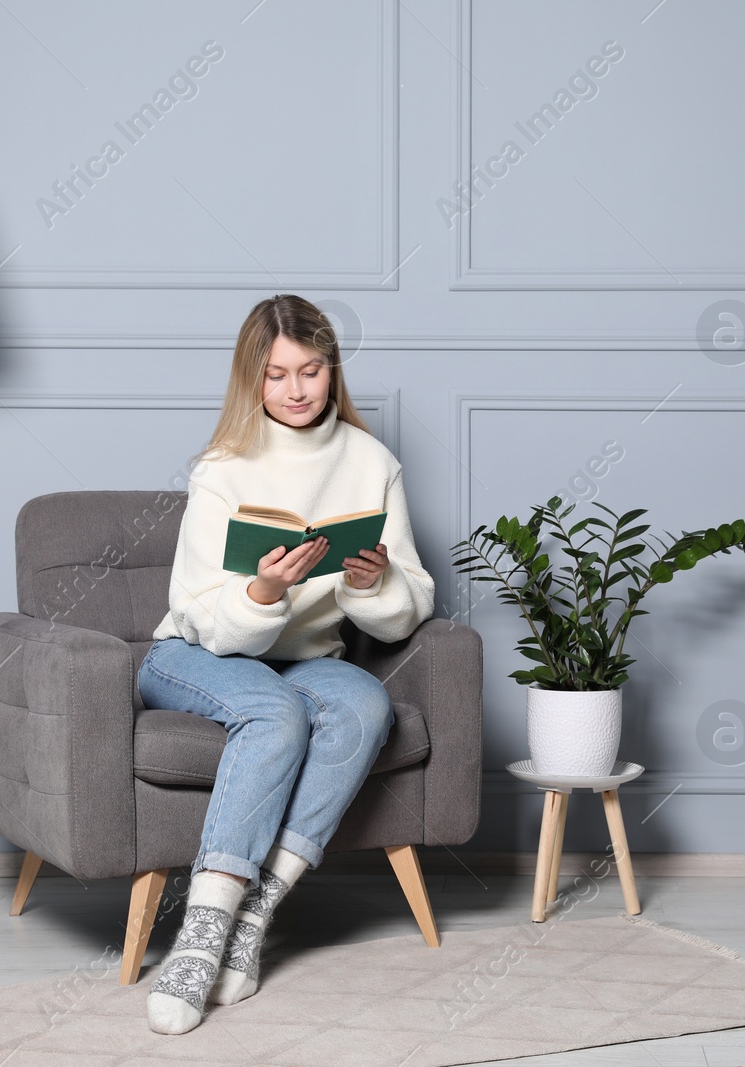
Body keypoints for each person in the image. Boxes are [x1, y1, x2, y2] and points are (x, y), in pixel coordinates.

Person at [138, 294, 435, 1034]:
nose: (296, 391)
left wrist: (375, 586)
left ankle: (254, 913)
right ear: (252, 379)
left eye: (311, 371)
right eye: (277, 375)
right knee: (274, 712)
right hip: (196, 653)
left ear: (333, 371)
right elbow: (198, 608)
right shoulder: (223, 467)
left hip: (307, 658)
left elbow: (413, 603)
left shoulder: (372, 462)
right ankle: (201, 938)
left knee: (367, 703)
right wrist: (264, 590)